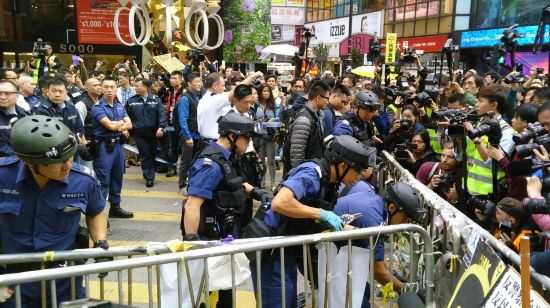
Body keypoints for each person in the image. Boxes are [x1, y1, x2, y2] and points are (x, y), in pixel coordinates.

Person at [255, 134, 374, 307]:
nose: (359, 177)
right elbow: (280, 203)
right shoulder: (312, 173)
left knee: (290, 298)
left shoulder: (331, 181)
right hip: (272, 246)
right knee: (279, 301)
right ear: (342, 166)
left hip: (292, 243)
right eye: (358, 171)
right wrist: (321, 214)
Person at [0, 115, 107, 307]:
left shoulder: (83, 180)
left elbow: (95, 210)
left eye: (70, 157)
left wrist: (100, 243)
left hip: (64, 279)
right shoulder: (3, 176)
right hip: (11, 280)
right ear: (29, 162)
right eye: (57, 163)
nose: (68, 166)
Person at [182, 112, 269, 306]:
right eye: (247, 137)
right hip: (208, 241)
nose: (249, 142)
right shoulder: (211, 165)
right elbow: (192, 205)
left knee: (225, 293)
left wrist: (257, 193)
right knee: (210, 297)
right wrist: (192, 244)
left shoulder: (228, 159)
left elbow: (232, 184)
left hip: (224, 238)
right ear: (232, 136)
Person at [91, 77, 134, 218]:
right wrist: (121, 123)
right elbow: (110, 126)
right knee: (103, 180)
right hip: (103, 147)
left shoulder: (119, 105)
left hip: (118, 146)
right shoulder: (97, 107)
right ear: (101, 89)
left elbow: (130, 124)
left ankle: (115, 207)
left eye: (112, 87)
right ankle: (99, 214)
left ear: (116, 89)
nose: (109, 90)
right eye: (106, 87)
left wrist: (117, 125)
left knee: (117, 178)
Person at [197, 71, 263, 143]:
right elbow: (236, 90)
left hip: (208, 141)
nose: (224, 88)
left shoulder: (207, 98)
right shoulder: (213, 100)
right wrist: (253, 76)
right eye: (222, 85)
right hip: (213, 142)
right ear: (215, 86)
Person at [283, 80, 331, 175]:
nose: (328, 101)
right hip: (303, 174)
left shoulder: (318, 115)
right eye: (327, 98)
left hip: (312, 169)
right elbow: (296, 155)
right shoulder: (304, 120)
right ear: (318, 98)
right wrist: (301, 176)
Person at [125, 78, 166, 187]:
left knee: (152, 154)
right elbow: (125, 116)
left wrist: (161, 127)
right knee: (144, 154)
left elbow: (161, 115)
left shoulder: (156, 100)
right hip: (139, 133)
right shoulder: (131, 101)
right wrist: (126, 128)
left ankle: (147, 171)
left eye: (138, 86)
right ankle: (150, 177)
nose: (135, 88)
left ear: (146, 88)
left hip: (154, 133)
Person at [175, 72, 203, 195]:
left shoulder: (198, 96)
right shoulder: (185, 99)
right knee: (185, 162)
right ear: (189, 84)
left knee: (195, 162)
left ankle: (192, 183)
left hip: (198, 136)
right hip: (189, 136)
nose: (199, 84)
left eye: (200, 81)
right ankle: (182, 185)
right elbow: (182, 119)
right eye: (196, 82)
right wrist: (187, 136)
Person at [255, 83, 280, 189]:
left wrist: (270, 121)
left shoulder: (274, 104)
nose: (266, 93)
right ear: (260, 92)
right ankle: (262, 182)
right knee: (260, 161)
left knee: (271, 161)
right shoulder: (255, 104)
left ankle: (273, 183)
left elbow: (279, 121)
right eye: (264, 91)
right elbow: (253, 120)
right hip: (259, 136)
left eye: (268, 91)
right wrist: (259, 122)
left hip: (271, 137)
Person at [0, 80, 29, 157]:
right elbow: (2, 148)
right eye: (0, 93)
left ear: (17, 96)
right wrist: (23, 156)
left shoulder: (25, 113)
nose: (2, 97)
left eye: (7, 93)